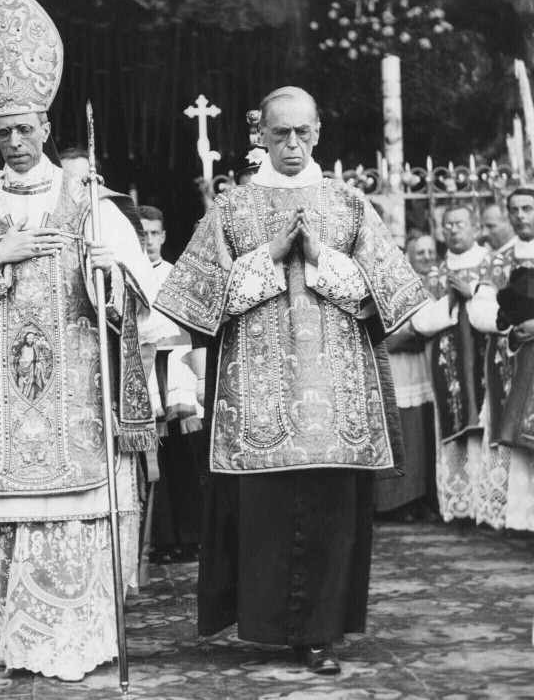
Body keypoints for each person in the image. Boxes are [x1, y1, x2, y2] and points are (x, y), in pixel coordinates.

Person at [0, 0, 156, 682]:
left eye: (27, 128)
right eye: (4, 131)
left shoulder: (90, 199)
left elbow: (138, 286)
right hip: (4, 397)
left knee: (75, 512)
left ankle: (74, 637)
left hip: (76, 396)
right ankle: (6, 635)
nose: (17, 141)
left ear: (48, 127)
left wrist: (108, 274)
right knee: (7, 511)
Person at [155, 86, 426, 674]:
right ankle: (273, 626)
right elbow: (197, 304)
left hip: (336, 397)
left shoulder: (350, 203)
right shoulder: (230, 209)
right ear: (261, 136)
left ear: (319, 132)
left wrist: (322, 258)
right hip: (259, 399)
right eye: (281, 133)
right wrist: (270, 256)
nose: (293, 144)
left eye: (303, 132)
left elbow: (390, 296)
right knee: (268, 515)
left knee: (331, 510)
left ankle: (321, 632)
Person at [410, 206, 493, 524]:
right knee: (458, 437)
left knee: (490, 430)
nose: (454, 231)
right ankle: (463, 508)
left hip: (489, 363)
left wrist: (472, 295)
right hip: (450, 369)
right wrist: (452, 301)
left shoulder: (495, 263)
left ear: (475, 227)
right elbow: (420, 321)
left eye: (460, 224)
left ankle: (490, 506)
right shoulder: (434, 274)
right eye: (448, 226)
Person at [137, 205, 204, 564]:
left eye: (154, 233)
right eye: (142, 233)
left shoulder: (176, 275)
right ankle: (162, 540)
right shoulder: (128, 274)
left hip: (175, 368)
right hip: (146, 368)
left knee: (184, 455)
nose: (148, 240)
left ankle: (191, 537)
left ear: (163, 236)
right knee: (154, 458)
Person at [470, 187, 534, 531]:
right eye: (515, 210)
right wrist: (506, 322)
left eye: (528, 208)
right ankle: (523, 520)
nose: (521, 216)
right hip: (514, 359)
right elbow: (479, 305)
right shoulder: (500, 258)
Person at [375, 233, 439, 520]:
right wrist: (403, 337)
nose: (425, 257)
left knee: (422, 437)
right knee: (403, 436)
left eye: (430, 252)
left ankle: (421, 499)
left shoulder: (433, 287)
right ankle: (397, 503)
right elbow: (379, 333)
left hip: (422, 370)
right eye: (418, 253)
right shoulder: (385, 288)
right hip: (396, 374)